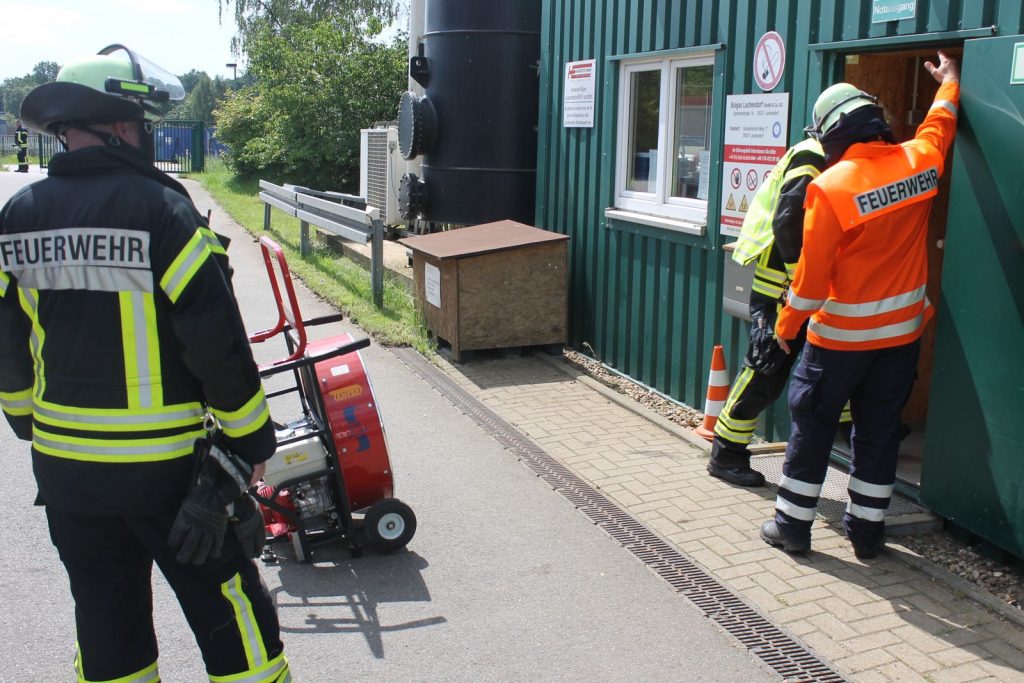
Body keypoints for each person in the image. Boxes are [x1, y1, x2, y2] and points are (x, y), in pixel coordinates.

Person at [0, 45, 292, 682]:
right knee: (229, 610)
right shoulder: (163, 213)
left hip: (67, 474)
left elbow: (7, 348)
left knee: (107, 623)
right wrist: (249, 443)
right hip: (169, 476)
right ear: (122, 126)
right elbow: (215, 342)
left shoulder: (17, 217)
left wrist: (29, 424)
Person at [760, 51, 960, 559]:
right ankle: (868, 535)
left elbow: (808, 282)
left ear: (830, 136)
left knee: (813, 426)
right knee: (878, 432)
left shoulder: (829, 189)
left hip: (838, 344)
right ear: (879, 124)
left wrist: (785, 326)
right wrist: (950, 82)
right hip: (901, 339)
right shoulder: (921, 162)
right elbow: (939, 124)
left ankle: (792, 526)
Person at [709, 134, 852, 487]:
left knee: (836, 363)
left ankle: (852, 435)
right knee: (765, 373)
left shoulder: (833, 157)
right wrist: (798, 281)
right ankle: (726, 454)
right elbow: (787, 222)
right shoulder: (812, 156)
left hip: (807, 289)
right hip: (780, 291)